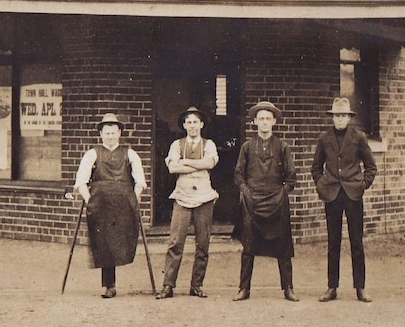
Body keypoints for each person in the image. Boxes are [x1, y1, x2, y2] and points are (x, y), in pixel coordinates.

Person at [311, 97, 377, 303]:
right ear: (332, 118)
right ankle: (332, 287)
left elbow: (371, 167)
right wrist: (322, 184)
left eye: (343, 116)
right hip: (332, 194)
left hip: (352, 194)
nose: (339, 120)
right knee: (333, 242)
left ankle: (360, 287)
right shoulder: (324, 138)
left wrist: (361, 185)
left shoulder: (358, 137)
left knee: (356, 241)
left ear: (349, 117)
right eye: (336, 116)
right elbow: (315, 168)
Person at [73, 112, 146, 298]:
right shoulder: (92, 154)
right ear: (101, 134)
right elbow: (81, 181)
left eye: (113, 132)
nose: (110, 136)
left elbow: (140, 181)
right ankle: (109, 285)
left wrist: (133, 199)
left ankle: (113, 283)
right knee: (103, 241)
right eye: (107, 132)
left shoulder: (129, 153)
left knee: (122, 240)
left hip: (124, 205)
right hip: (101, 205)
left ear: (119, 133)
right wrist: (91, 200)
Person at [232, 101, 298, 302]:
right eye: (261, 119)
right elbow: (238, 174)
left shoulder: (283, 147)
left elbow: (291, 176)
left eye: (268, 119)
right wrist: (245, 191)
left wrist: (282, 193)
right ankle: (244, 289)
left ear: (274, 122)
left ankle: (288, 288)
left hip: (277, 201)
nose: (264, 123)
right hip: (253, 203)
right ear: (254, 122)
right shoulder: (247, 147)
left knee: (284, 247)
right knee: (248, 247)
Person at [155, 106, 219, 299]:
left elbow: (210, 163)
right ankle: (168, 285)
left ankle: (197, 285)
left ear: (201, 124)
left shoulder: (209, 144)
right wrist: (194, 165)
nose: (192, 126)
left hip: (204, 197)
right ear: (184, 125)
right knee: (175, 242)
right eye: (188, 122)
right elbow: (172, 168)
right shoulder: (177, 144)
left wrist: (185, 163)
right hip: (182, 197)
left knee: (203, 243)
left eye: (195, 122)